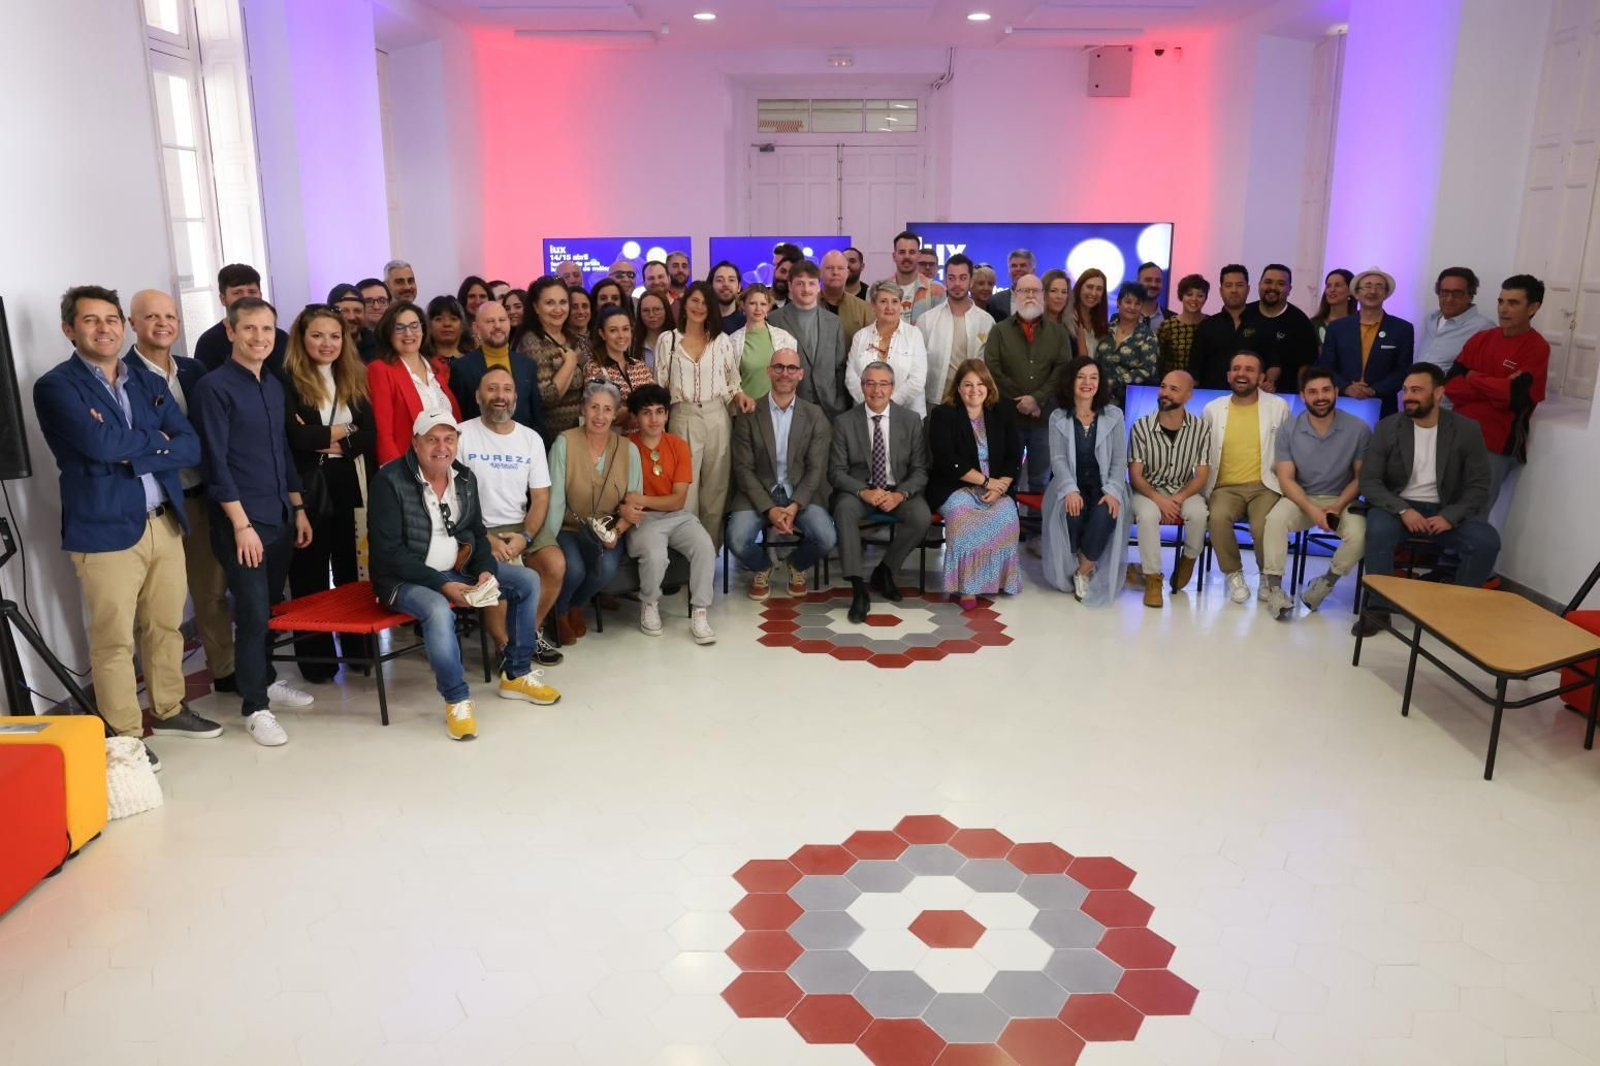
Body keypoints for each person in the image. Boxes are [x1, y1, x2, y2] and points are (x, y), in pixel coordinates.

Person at [35, 286, 212, 770]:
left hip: (163, 522)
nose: (104, 328)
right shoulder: (57, 386)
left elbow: (191, 445)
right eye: (91, 320)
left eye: (111, 319)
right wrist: (155, 441)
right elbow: (99, 446)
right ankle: (125, 736)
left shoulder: (142, 379)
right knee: (114, 639)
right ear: (69, 329)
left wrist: (133, 446)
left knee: (166, 626)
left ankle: (169, 709)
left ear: (122, 326)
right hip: (105, 530)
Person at [370, 410, 560, 739]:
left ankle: (516, 674)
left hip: (457, 568)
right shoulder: (389, 481)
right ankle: (456, 699)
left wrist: (485, 570)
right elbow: (390, 552)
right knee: (437, 608)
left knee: (527, 581)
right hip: (402, 579)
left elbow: (476, 532)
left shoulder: (464, 477)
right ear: (415, 443)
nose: (441, 447)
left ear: (457, 442)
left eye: (449, 439)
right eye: (432, 439)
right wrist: (443, 585)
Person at [190, 297, 315, 746]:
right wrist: (241, 525)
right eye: (249, 328)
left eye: (266, 329)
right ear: (230, 331)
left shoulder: (272, 385)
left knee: (270, 607)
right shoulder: (213, 388)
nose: (259, 337)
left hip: (278, 514)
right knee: (252, 612)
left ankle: (265, 679)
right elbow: (215, 463)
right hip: (242, 522)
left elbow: (282, 452)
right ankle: (254, 708)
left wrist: (298, 508)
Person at [125, 290, 236, 695]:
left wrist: (169, 442)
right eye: (151, 316)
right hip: (155, 503)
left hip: (201, 496)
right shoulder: (122, 375)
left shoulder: (194, 370)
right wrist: (174, 444)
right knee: (156, 607)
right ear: (132, 324)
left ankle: (225, 670)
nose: (163, 324)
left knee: (211, 592)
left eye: (170, 316)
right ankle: (163, 692)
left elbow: (206, 437)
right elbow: (136, 444)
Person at [1354, 363, 1500, 637]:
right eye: (1406, 390)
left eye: (1417, 390)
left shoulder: (1466, 430)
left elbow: (1479, 485)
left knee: (1486, 541)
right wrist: (1403, 510)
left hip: (1445, 510)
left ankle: (1458, 612)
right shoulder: (1388, 427)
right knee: (1378, 531)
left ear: (1438, 393)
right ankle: (1377, 610)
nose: (1408, 396)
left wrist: (1450, 516)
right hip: (1397, 507)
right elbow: (1370, 481)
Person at [279, 304, 375, 681]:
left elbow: (369, 434)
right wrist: (345, 431)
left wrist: (326, 437)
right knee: (310, 573)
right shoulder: (286, 378)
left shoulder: (354, 375)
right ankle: (317, 662)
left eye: (335, 336)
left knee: (354, 569)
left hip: (349, 478)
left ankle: (358, 651)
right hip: (308, 482)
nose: (327, 343)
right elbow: (295, 437)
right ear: (301, 338)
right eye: (317, 335)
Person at [456, 367, 564, 668]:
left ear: (516, 396)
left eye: (507, 389)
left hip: (520, 523)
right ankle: (504, 646)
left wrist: (525, 537)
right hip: (477, 526)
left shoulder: (530, 439)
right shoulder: (460, 435)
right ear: (478, 396)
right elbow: (453, 498)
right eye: (492, 389)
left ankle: (527, 636)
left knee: (555, 565)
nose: (500, 396)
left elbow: (540, 497)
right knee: (498, 578)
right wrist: (486, 539)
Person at [1260, 367, 1370, 619]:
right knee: (1274, 520)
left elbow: (1360, 478)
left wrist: (1337, 506)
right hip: (1301, 497)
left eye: (1326, 390)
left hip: (1343, 499)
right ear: (1302, 396)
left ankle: (1325, 583)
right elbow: (1286, 479)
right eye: (1313, 392)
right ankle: (1275, 589)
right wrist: (1311, 509)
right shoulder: (1288, 429)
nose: (1320, 397)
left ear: (1336, 392)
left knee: (1360, 534)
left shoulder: (1359, 429)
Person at [726, 350, 836, 599]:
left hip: (800, 493)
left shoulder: (815, 415)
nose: (784, 373)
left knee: (827, 538)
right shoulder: (749, 413)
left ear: (800, 374)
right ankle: (763, 566)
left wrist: (794, 506)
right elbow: (743, 469)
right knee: (736, 539)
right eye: (778, 367)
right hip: (757, 492)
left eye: (791, 368)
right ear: (769, 371)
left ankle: (795, 565)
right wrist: (770, 509)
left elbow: (816, 468)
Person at [539, 381, 644, 642]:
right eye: (594, 407)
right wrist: (547, 544)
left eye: (607, 409)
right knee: (573, 568)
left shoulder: (629, 450)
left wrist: (616, 532)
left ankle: (575, 604)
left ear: (616, 413)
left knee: (605, 568)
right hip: (569, 527)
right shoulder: (564, 443)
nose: (600, 416)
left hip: (609, 529)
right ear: (583, 409)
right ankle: (558, 613)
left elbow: (633, 503)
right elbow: (555, 501)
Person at [828, 361, 932, 622]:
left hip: (898, 490)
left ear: (892, 387)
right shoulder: (844, 422)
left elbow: (920, 470)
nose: (877, 390)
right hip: (860, 491)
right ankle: (858, 589)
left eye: (883, 384)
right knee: (843, 509)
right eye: (870, 383)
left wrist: (900, 494)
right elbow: (836, 472)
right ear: (862, 387)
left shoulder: (910, 420)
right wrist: (863, 492)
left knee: (921, 517)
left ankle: (885, 570)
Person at [656, 281, 752, 549]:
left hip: (716, 415)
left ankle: (709, 552)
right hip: (682, 415)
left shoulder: (721, 341)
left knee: (715, 490)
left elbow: (733, 382)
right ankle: (685, 553)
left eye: (705, 303)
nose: (699, 307)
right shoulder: (668, 340)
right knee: (684, 490)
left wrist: (740, 397)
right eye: (694, 300)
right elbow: (660, 386)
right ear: (685, 303)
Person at [1443, 274, 1550, 512]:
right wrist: (1497, 387)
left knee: (1473, 514)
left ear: (1533, 308)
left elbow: (1516, 397)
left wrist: (1473, 376)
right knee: (1442, 507)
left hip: (1495, 445)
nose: (1503, 309)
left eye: (1513, 303)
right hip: (1456, 437)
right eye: (1501, 301)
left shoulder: (1537, 347)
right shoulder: (1481, 338)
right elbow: (1451, 386)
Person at [926, 359, 1022, 608]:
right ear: (958, 388)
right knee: (963, 517)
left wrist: (1001, 486)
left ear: (989, 387)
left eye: (980, 384)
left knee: (1007, 515)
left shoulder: (1003, 412)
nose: (974, 390)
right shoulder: (943, 415)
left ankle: (997, 580)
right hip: (954, 486)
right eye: (968, 384)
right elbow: (947, 460)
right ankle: (967, 588)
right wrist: (987, 482)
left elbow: (1014, 455)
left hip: (997, 486)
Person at [624, 384, 716, 643]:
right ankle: (650, 604)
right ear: (635, 417)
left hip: (677, 516)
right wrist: (638, 504)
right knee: (655, 555)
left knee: (705, 547)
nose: (654, 419)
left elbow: (678, 500)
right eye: (646, 412)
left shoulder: (678, 446)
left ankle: (700, 611)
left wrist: (642, 499)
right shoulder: (626, 447)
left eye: (659, 411)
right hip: (642, 519)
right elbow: (624, 498)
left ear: (667, 414)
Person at [1200, 350, 1291, 605]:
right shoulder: (1212, 408)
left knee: (1265, 525)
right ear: (1229, 375)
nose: (1242, 374)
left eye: (1249, 369)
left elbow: (1288, 449)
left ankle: (1267, 575)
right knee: (1217, 518)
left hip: (1265, 485)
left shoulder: (1278, 407)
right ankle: (1234, 574)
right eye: (1236, 368)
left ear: (1261, 377)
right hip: (1225, 486)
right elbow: (1202, 451)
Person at [1041, 357, 1129, 606]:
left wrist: (1113, 491)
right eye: (1081, 377)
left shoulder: (1114, 415)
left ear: (1100, 383)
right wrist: (1070, 489)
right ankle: (1086, 563)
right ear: (1071, 381)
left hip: (1106, 485)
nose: (1087, 382)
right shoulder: (1058, 417)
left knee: (1105, 512)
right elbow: (1058, 460)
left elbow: (1119, 460)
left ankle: (1082, 571)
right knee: (1073, 511)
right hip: (1070, 484)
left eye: (1093, 377)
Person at [1126, 370, 1210, 608]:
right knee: (1148, 514)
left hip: (1183, 488)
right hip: (1147, 490)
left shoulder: (1200, 428)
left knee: (1199, 513)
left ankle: (1189, 559)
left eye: (1173, 389)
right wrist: (1159, 499)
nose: (1165, 392)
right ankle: (1153, 578)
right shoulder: (1141, 426)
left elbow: (1202, 475)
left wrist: (1178, 498)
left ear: (1188, 395)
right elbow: (1135, 476)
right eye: (1163, 386)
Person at [983, 274, 1071, 491]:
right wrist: (1023, 401)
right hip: (1008, 418)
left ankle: (1036, 516)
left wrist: (1037, 399)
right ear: (1016, 295)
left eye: (1035, 291)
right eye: (1025, 291)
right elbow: (993, 370)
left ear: (1043, 295)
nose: (1030, 295)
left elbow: (1063, 370)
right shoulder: (999, 331)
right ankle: (1007, 515)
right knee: (1006, 480)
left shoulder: (1058, 333)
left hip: (1045, 419)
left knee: (1040, 481)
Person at [368, 301, 461, 465]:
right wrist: (395, 475)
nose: (408, 333)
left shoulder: (437, 366)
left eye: (414, 326)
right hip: (407, 466)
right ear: (388, 333)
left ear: (423, 330)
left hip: (447, 464)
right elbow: (383, 435)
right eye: (399, 328)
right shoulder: (379, 370)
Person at [1318, 267, 1415, 416]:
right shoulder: (1337, 328)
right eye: (1367, 286)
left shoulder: (1402, 329)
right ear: (1356, 293)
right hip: (1342, 402)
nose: (1373, 291)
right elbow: (1326, 367)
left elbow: (1403, 370)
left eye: (1379, 287)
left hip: (1382, 405)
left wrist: (1374, 390)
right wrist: (1346, 387)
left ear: (1386, 293)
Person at [451, 300, 545, 437]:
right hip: (477, 443)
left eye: (502, 320)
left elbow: (536, 416)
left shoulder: (527, 365)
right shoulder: (461, 368)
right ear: (476, 327)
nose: (497, 326)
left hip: (521, 444)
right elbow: (459, 416)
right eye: (490, 321)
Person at [518, 276, 590, 441]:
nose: (558, 309)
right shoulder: (531, 342)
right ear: (536, 307)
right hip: (550, 439)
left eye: (563, 302)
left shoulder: (573, 338)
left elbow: (592, 378)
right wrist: (569, 364)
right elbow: (546, 397)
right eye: (549, 303)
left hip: (581, 434)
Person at [918, 254, 995, 407]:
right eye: (951, 278)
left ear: (971, 281)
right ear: (945, 280)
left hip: (973, 402)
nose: (957, 284)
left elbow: (990, 366)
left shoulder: (986, 321)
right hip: (934, 402)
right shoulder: (927, 320)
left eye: (963, 278)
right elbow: (917, 365)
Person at [847, 280, 929, 416]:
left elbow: (917, 379)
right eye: (883, 301)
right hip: (865, 412)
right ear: (873, 305)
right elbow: (851, 376)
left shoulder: (914, 334)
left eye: (895, 301)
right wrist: (871, 404)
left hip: (907, 415)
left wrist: (887, 405)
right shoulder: (860, 336)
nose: (889, 307)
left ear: (901, 304)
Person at [193, 263, 288, 374]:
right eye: (237, 292)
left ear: (261, 295)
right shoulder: (208, 343)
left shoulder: (281, 338)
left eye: (252, 292)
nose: (246, 298)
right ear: (223, 299)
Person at [1248, 264, 1319, 394]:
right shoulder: (1245, 315)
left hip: (1286, 396)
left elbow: (1306, 366)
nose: (1273, 287)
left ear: (1289, 289)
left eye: (1281, 284)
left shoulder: (1301, 322)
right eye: (1268, 282)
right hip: (1242, 394)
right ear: (1259, 285)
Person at [1191, 265, 1260, 389]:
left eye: (1239, 285)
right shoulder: (1206, 326)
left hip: (1252, 396)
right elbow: (1194, 369)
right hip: (1212, 396)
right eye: (1228, 285)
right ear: (1221, 291)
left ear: (1248, 289)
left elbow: (1272, 362)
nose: (1234, 290)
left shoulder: (1261, 324)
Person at [1418, 267, 1495, 379]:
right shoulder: (1430, 319)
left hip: (1447, 390)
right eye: (1445, 292)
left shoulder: (1484, 328)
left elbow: (1483, 373)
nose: (1449, 299)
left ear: (1470, 296)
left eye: (1457, 293)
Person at [729, 283, 798, 402]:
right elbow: (729, 383)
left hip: (779, 407)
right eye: (752, 303)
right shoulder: (732, 342)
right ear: (743, 305)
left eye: (763, 304)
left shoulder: (785, 338)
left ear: (769, 306)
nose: (758, 308)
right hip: (747, 408)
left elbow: (793, 377)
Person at [590, 306, 655, 430]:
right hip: (614, 438)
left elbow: (655, 401)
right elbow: (603, 411)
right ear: (602, 334)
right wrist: (641, 408)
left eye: (625, 329)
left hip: (645, 436)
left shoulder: (639, 366)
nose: (621, 335)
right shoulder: (594, 368)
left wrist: (628, 409)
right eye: (613, 330)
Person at [1097, 281, 1160, 407]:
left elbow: (1146, 370)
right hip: (1097, 397)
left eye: (1137, 303)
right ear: (1118, 303)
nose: (1132, 307)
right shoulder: (1104, 329)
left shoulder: (1148, 336)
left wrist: (1111, 383)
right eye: (1128, 302)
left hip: (1129, 401)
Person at [1157, 274, 1208, 376]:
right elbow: (1159, 360)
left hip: (1205, 383)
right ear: (1181, 296)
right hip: (1173, 382)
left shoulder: (1211, 324)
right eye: (1189, 294)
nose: (1194, 299)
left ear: (1205, 298)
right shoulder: (1168, 326)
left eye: (1200, 295)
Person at [819, 249, 873, 345]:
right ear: (820, 272)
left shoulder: (863, 309)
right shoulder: (807, 306)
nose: (835, 272)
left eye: (840, 268)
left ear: (847, 273)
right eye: (829, 268)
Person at [884, 230, 943, 316]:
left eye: (912, 252)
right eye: (902, 252)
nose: (907, 256)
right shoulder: (878, 290)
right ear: (894, 256)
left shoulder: (937, 290)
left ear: (918, 256)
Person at [329, 282, 377, 362]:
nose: (351, 317)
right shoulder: (324, 350)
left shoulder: (380, 349)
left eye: (357, 311)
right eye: (344, 311)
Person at [1068, 269, 1109, 359]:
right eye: (1090, 287)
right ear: (1079, 288)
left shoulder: (1099, 321)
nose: (1093, 293)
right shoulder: (1068, 317)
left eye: (1099, 289)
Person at [985, 249, 1036, 320]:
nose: (1018, 269)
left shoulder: (1044, 299)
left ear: (1033, 271)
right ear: (1009, 271)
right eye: (1014, 266)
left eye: (1023, 265)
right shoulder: (995, 302)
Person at [1311, 268, 1354, 348]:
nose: (1332, 290)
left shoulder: (1359, 324)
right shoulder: (1313, 324)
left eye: (1338, 285)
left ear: (1350, 290)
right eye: (1328, 286)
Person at [635, 289, 673, 369]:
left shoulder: (679, 341)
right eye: (645, 311)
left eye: (657, 309)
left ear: (666, 310)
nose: (651, 315)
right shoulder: (633, 345)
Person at [427, 294, 468, 363]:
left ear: (462, 326)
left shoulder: (474, 362)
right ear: (429, 326)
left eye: (453, 319)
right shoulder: (421, 363)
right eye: (439, 319)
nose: (447, 324)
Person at [710, 260, 746, 332]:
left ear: (739, 287)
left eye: (731, 280)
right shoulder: (702, 322)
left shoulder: (747, 324)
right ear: (711, 286)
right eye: (719, 280)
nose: (726, 284)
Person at [1137, 262, 1173, 333]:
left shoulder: (1172, 320)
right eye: (1148, 280)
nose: (1153, 284)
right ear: (1138, 282)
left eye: (1158, 281)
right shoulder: (1121, 318)